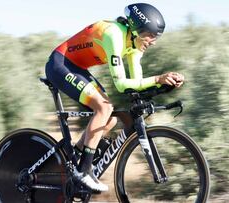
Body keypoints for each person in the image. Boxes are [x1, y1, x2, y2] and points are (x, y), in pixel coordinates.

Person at [45, 3, 185, 192]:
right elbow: (121, 84)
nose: (153, 42)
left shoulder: (135, 46)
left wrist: (163, 85)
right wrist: (158, 78)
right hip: (60, 64)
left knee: (109, 119)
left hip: (76, 67)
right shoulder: (114, 35)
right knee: (104, 108)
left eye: (156, 37)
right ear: (136, 30)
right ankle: (83, 171)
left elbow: (135, 83)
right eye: (150, 35)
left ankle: (73, 159)